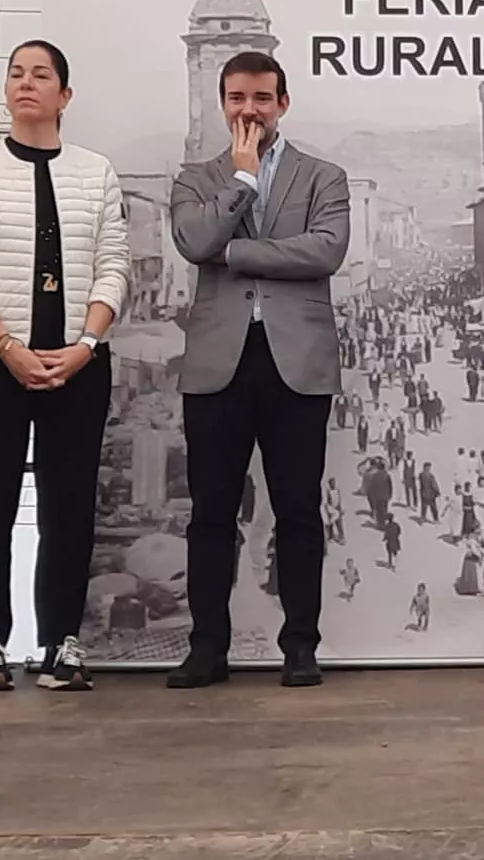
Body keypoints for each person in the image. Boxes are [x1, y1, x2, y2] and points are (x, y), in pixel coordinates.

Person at [0, 40, 129, 692]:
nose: (26, 83)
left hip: (78, 366)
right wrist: (8, 346)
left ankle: (61, 643)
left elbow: (114, 266)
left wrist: (85, 344)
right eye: (16, 73)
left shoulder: (95, 172)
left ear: (64, 96)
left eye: (41, 75)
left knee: (69, 504)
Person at [166, 51, 352, 690]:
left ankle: (300, 645)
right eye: (238, 98)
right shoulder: (197, 178)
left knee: (299, 510)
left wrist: (236, 252)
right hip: (217, 366)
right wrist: (242, 182)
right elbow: (193, 243)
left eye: (262, 98)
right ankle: (206, 648)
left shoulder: (323, 176)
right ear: (223, 104)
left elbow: (326, 251)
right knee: (211, 513)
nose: (250, 110)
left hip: (295, 365)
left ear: (283, 103)